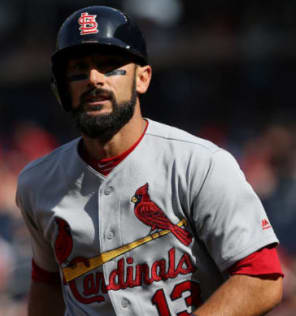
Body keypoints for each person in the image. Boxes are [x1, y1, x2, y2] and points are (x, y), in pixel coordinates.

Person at [15, 5, 283, 316]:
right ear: (62, 89)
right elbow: (48, 283)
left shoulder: (199, 164)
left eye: (109, 65)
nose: (93, 78)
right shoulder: (37, 184)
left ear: (142, 78)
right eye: (78, 69)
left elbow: (262, 277)